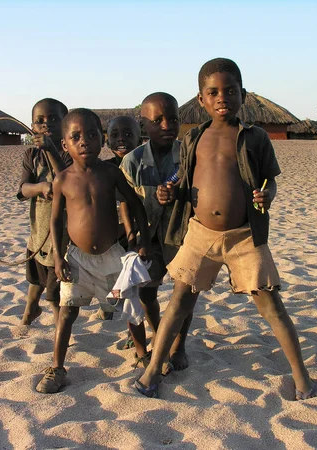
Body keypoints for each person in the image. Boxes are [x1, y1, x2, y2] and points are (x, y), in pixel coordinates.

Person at [134, 58, 317, 400]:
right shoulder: (193, 139)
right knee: (179, 301)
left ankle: (301, 375)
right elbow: (182, 179)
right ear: (201, 99)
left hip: (244, 236)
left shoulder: (255, 137)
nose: (223, 98)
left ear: (243, 95)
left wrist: (267, 195)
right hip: (201, 232)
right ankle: (152, 369)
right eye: (214, 92)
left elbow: (271, 181)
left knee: (271, 304)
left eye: (230, 91)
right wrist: (169, 190)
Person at [36, 108, 151, 394]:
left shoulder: (110, 172)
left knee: (128, 303)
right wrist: (57, 257)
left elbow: (135, 204)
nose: (84, 141)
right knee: (67, 311)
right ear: (65, 145)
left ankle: (142, 354)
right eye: (75, 137)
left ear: (101, 140)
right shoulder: (62, 180)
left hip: (112, 254)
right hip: (78, 259)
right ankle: (57, 367)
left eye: (90, 135)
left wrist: (142, 238)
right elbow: (56, 220)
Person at [120, 93, 193, 371]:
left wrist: (180, 193)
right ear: (144, 126)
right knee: (147, 296)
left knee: (184, 294)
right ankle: (161, 331)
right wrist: (132, 237)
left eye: (173, 119)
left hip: (183, 238)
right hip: (147, 241)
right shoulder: (133, 161)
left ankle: (178, 345)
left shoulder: (188, 156)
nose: (167, 125)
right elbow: (126, 202)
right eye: (157, 120)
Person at [17, 98, 71, 327]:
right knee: (35, 278)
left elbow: (66, 181)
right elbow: (23, 189)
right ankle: (30, 311)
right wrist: (40, 187)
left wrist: (51, 149)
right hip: (38, 229)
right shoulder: (31, 155)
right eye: (40, 121)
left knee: (54, 292)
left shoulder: (69, 151)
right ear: (32, 128)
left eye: (53, 119)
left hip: (60, 233)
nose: (46, 124)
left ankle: (60, 332)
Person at [95, 115, 142, 322]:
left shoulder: (144, 167)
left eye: (128, 134)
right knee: (111, 279)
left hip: (138, 233)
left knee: (134, 282)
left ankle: (134, 326)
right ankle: (110, 304)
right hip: (111, 236)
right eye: (115, 135)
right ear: (106, 141)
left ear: (140, 140)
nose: (121, 139)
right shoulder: (102, 169)